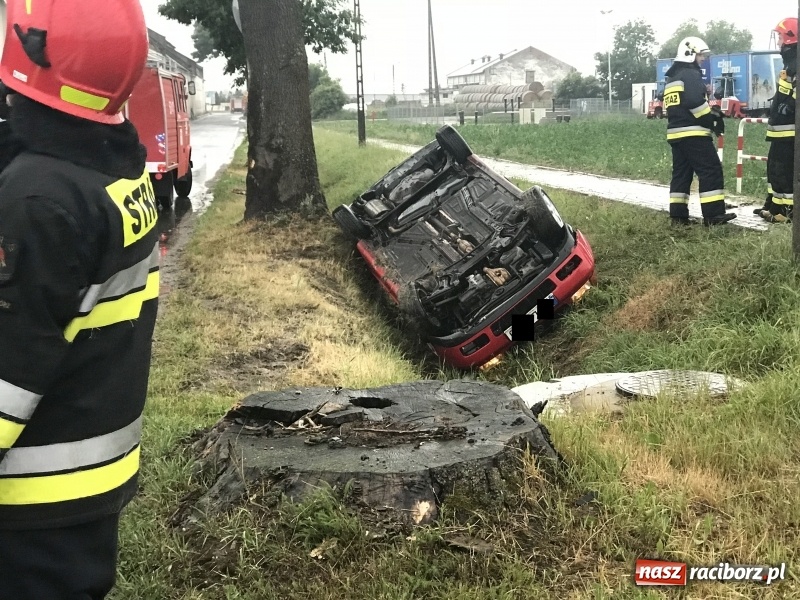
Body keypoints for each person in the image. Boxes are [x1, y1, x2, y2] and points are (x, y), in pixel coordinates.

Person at [0, 1, 155, 598]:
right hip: (82, 485)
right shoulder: (113, 169)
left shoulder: (37, 202)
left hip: (27, 505)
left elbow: (7, 375)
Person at [664, 36, 735, 226]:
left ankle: (678, 217)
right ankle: (714, 216)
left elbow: (678, 104)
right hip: (694, 134)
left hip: (676, 135)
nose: (703, 59)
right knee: (711, 170)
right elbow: (695, 102)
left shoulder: (672, 78)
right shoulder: (690, 74)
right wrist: (712, 120)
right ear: (690, 54)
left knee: (681, 175)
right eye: (701, 55)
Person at [755, 18, 797, 223]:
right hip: (781, 129)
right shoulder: (790, 61)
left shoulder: (796, 62)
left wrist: (789, 106)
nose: (778, 41)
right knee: (774, 169)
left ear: (790, 37)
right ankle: (774, 206)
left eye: (780, 36)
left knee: (784, 171)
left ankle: (787, 213)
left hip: (790, 130)